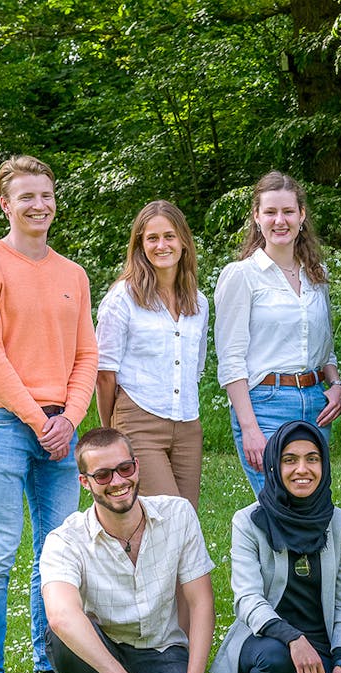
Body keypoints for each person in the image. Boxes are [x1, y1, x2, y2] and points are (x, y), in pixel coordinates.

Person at [0, 154, 98, 673]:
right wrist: (41, 421)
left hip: (61, 427)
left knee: (56, 551)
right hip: (2, 422)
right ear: (6, 204)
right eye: (26, 197)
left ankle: (50, 663)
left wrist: (70, 418)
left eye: (46, 195)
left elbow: (87, 354)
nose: (38, 205)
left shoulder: (73, 274)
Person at [41, 428, 216, 673]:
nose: (119, 481)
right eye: (103, 475)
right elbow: (61, 616)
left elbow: (201, 602)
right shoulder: (65, 540)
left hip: (162, 648)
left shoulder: (178, 515)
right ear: (85, 482)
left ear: (137, 465)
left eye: (125, 468)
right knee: (60, 635)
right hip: (104, 646)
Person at [210, 421, 341, 673]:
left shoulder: (340, 523)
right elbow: (248, 599)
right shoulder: (249, 521)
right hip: (265, 643)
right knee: (275, 660)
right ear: (274, 465)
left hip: (319, 650)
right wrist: (293, 638)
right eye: (289, 460)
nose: (302, 469)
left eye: (312, 458)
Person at [214, 171, 341, 495]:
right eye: (270, 212)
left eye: (288, 211)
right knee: (276, 506)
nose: (280, 220)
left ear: (302, 216)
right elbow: (231, 359)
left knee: (312, 505)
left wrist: (337, 384)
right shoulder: (241, 276)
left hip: (315, 404)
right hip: (265, 404)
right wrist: (250, 428)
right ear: (257, 217)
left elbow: (324, 346)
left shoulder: (317, 275)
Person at [95, 200, 208, 509]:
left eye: (169, 236)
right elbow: (105, 374)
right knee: (166, 513)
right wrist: (112, 430)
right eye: (152, 238)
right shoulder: (122, 298)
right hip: (139, 418)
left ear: (183, 241)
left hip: (187, 422)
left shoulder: (199, 303)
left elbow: (194, 368)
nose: (162, 245)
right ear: (140, 245)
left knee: (187, 519)